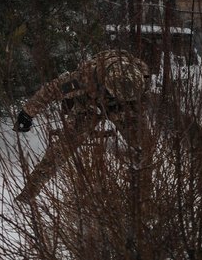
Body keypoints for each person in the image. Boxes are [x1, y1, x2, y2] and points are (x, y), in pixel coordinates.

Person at [13, 49, 150, 203]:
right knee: (61, 150)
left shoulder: (142, 76)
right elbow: (52, 90)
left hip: (126, 108)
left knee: (145, 146)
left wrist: (127, 115)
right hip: (89, 106)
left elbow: (142, 107)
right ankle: (28, 194)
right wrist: (27, 113)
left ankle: (143, 196)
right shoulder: (85, 77)